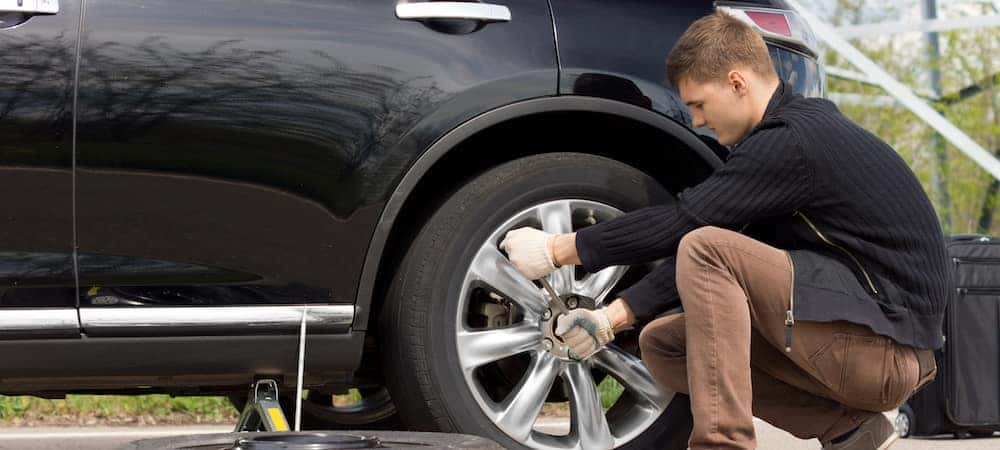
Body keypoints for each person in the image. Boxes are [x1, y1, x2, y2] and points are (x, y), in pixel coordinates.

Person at [500, 11, 945, 450]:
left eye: (698, 105)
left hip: (885, 354)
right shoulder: (786, 143)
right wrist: (610, 319)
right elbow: (710, 239)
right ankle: (848, 431)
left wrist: (561, 248)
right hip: (870, 345)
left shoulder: (790, 144)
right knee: (665, 346)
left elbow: (686, 226)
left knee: (706, 248)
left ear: (737, 83)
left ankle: (722, 444)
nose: (697, 122)